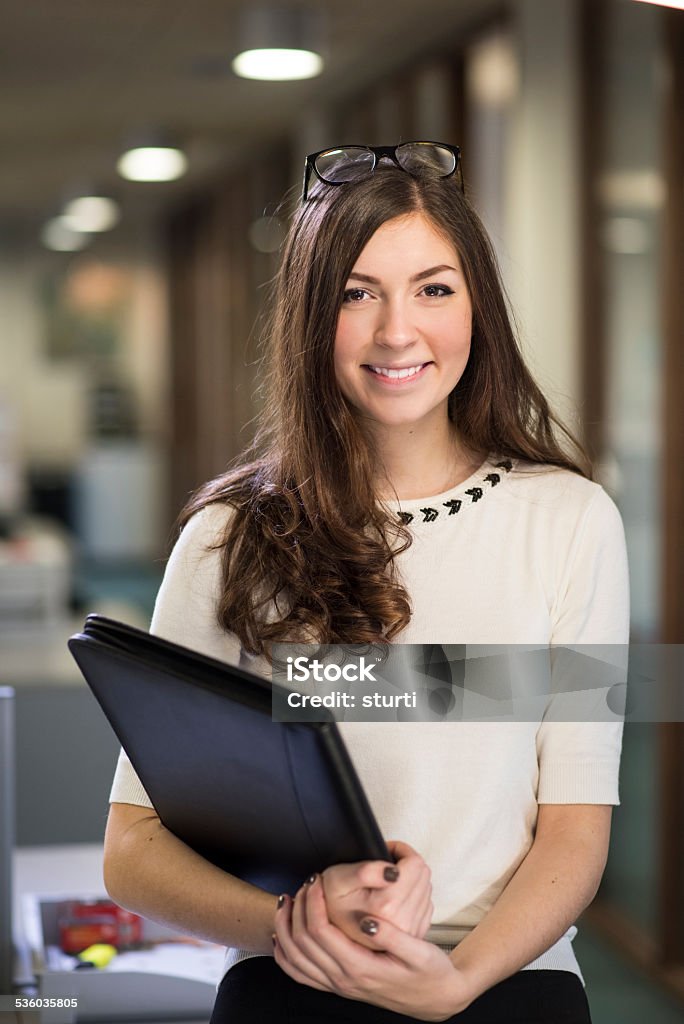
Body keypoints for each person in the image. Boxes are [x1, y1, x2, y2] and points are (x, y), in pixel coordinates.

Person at [103, 142, 629, 1023]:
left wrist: (457, 983)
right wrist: (293, 922)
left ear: (478, 309)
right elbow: (133, 849)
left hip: (506, 976)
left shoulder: (571, 521)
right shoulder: (228, 537)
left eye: (434, 288)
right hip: (292, 973)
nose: (397, 331)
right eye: (357, 293)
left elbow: (576, 828)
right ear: (313, 317)